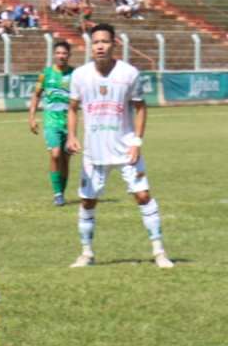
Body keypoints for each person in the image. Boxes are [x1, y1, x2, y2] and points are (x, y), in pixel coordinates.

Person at [65, 23, 173, 269]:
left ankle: (159, 252)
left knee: (143, 196)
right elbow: (72, 108)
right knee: (87, 201)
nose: (100, 46)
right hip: (94, 151)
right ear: (91, 46)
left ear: (114, 44)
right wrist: (72, 135)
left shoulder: (129, 73)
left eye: (105, 41)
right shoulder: (80, 75)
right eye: (96, 42)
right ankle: (86, 253)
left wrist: (137, 142)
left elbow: (141, 107)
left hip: (125, 149)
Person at [28, 40, 74, 206]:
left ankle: (61, 192)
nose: (61, 56)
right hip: (51, 122)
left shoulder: (74, 74)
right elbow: (36, 95)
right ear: (54, 55)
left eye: (65, 53)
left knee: (65, 159)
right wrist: (32, 117)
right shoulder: (45, 74)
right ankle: (57, 194)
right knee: (55, 154)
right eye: (59, 53)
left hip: (69, 123)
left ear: (69, 56)